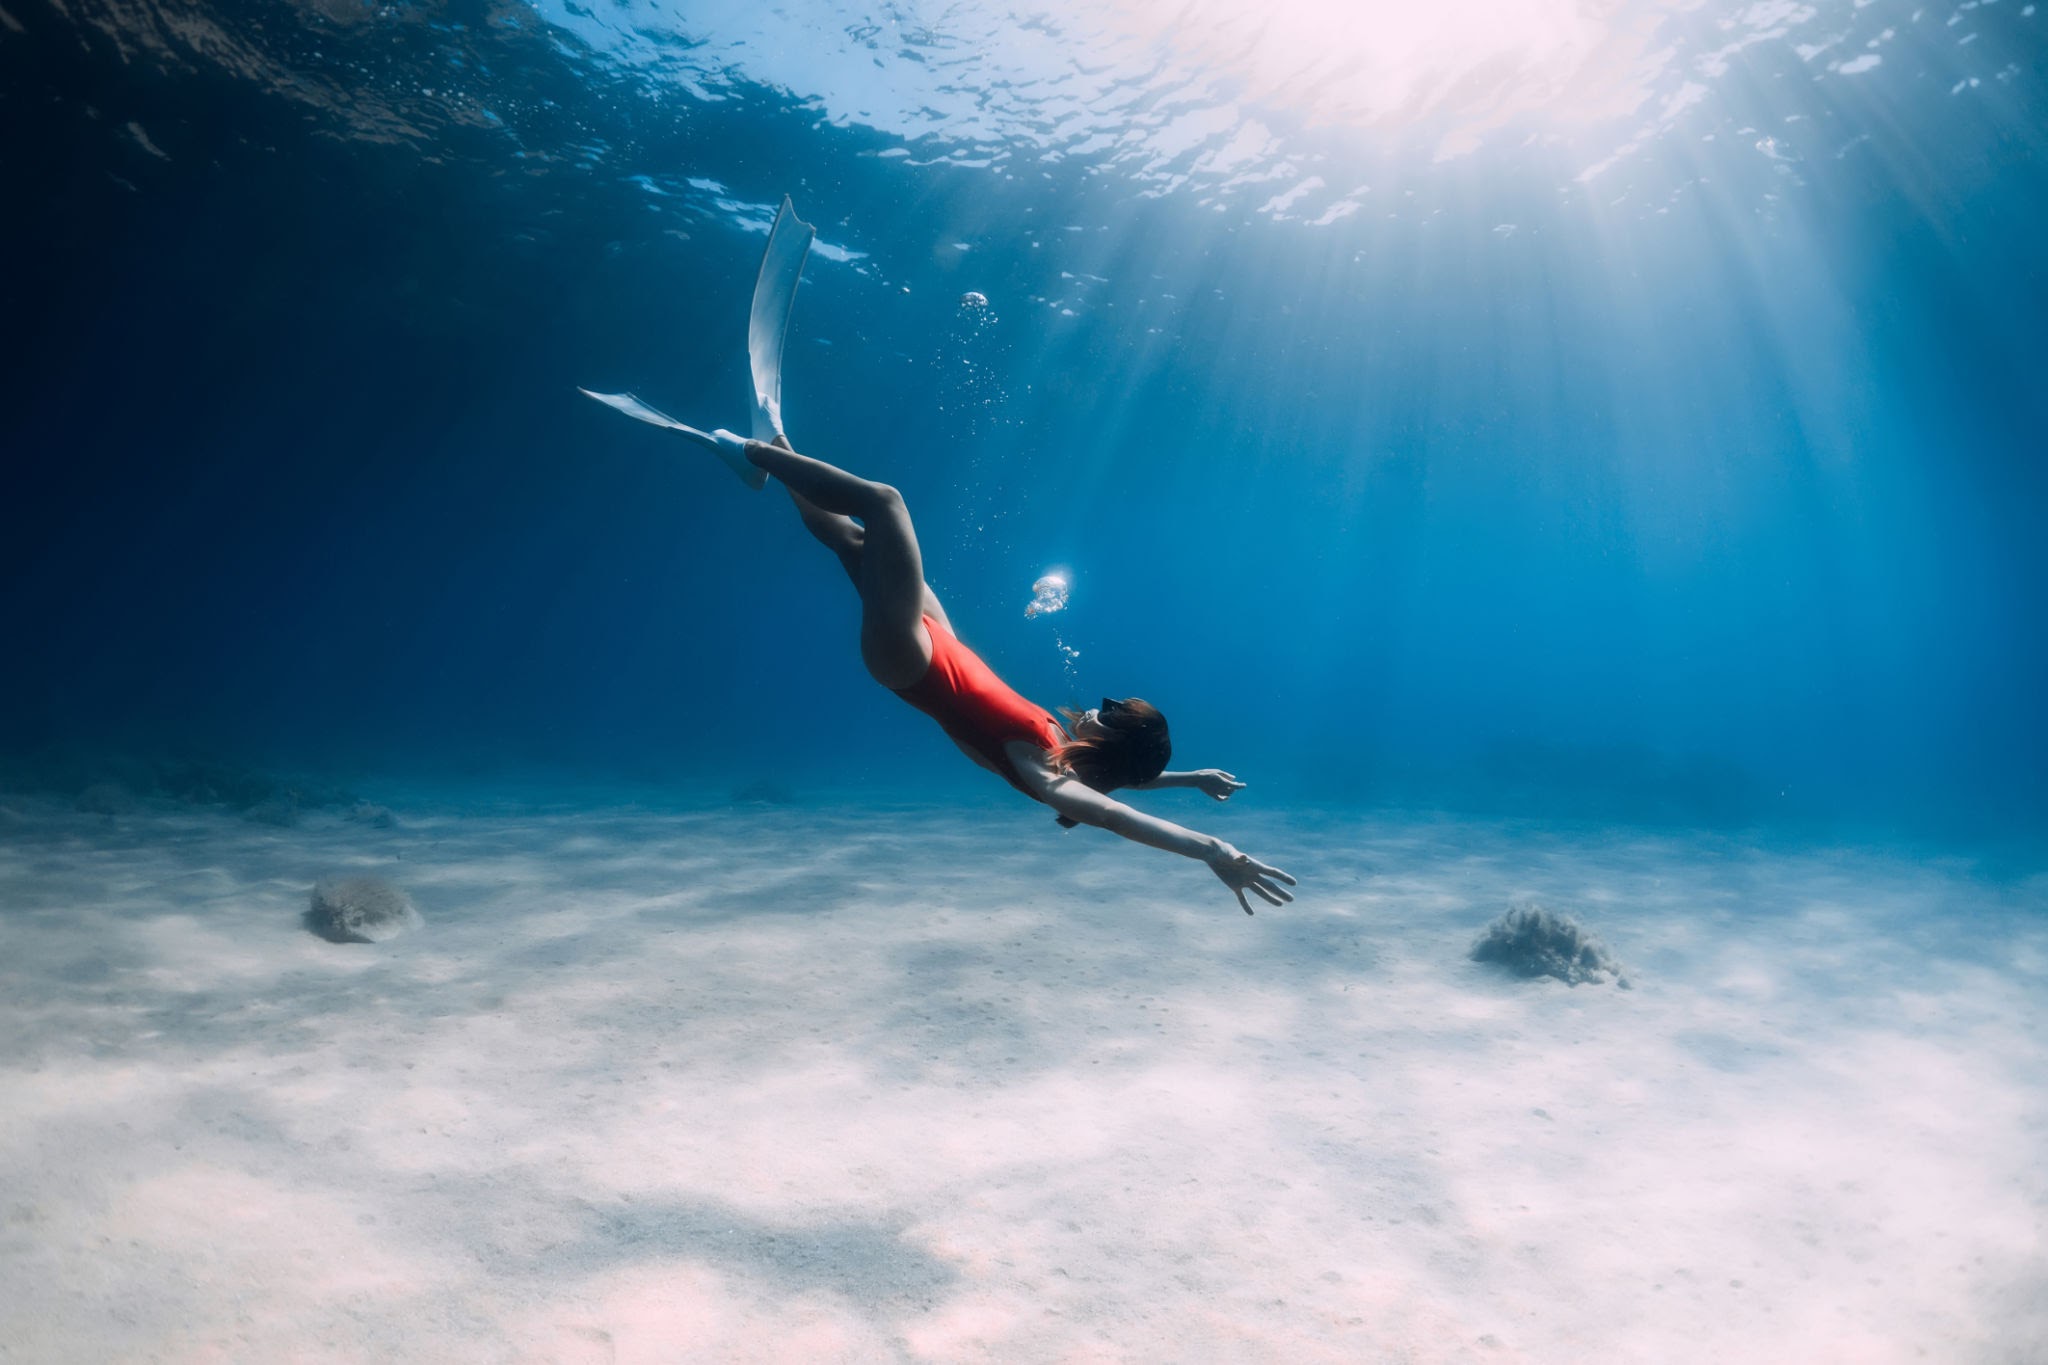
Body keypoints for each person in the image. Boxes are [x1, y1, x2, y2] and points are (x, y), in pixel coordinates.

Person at [730, 433, 1297, 915]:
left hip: (915, 662)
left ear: (1119, 735)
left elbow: (1117, 816)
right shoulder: (1074, 755)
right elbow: (1123, 780)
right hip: (941, 644)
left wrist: (1213, 850)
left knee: (885, 506)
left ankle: (748, 451)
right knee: (853, 541)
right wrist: (1193, 777)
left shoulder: (1046, 772)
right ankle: (780, 457)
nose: (1106, 701)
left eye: (1119, 711)